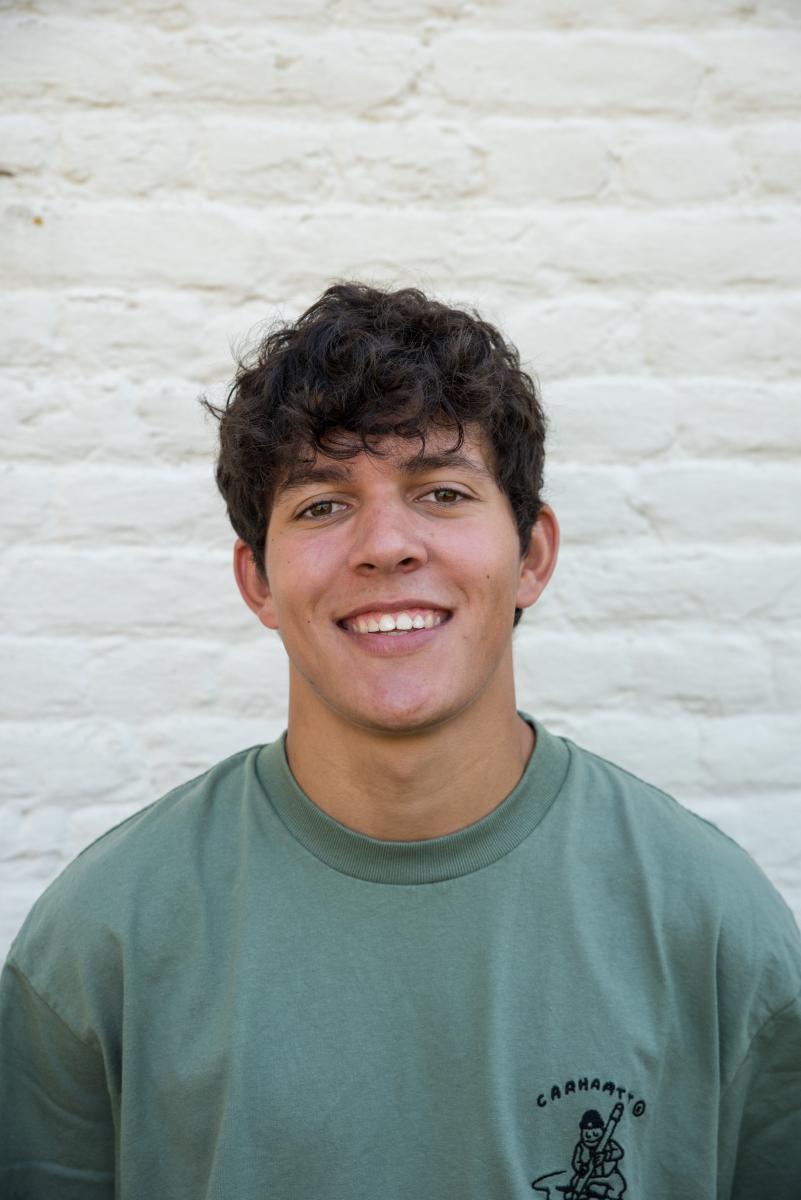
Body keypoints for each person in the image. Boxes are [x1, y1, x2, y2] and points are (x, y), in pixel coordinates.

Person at [1, 281, 799, 1199]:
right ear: (258, 583)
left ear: (532, 556)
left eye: (442, 492)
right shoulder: (103, 940)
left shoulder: (712, 928)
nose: (386, 544)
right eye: (321, 505)